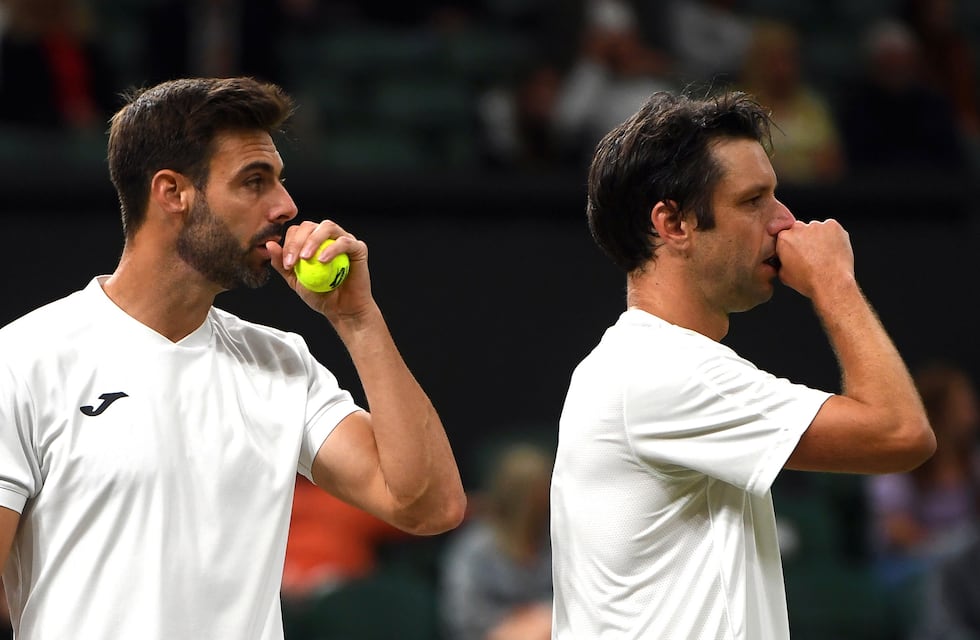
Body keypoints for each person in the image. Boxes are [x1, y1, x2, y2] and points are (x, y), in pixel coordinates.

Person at [0, 76, 467, 639]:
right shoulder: (25, 360)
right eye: (254, 181)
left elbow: (428, 506)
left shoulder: (283, 363)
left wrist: (358, 320)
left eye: (279, 180)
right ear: (172, 192)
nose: (286, 206)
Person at [549, 90, 936, 639]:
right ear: (674, 224)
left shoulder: (645, 362)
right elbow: (901, 434)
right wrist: (834, 283)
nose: (785, 222)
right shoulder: (661, 369)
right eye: (754, 200)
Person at [440, 441, 554, 640]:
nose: (536, 506)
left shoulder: (556, 541)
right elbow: (461, 612)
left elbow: (580, 596)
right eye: (527, 497)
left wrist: (543, 618)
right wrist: (513, 627)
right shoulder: (475, 546)